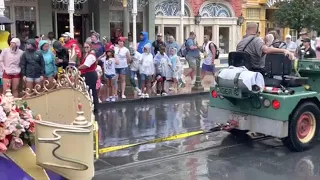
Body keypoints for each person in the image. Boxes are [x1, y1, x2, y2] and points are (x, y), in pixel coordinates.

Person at [78, 42, 98, 112]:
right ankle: (90, 105)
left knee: (91, 90)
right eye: (85, 47)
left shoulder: (91, 56)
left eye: (87, 47)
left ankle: (94, 107)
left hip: (90, 74)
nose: (86, 48)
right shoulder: (87, 55)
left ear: (90, 47)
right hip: (87, 74)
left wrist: (78, 68)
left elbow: (86, 65)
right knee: (88, 90)